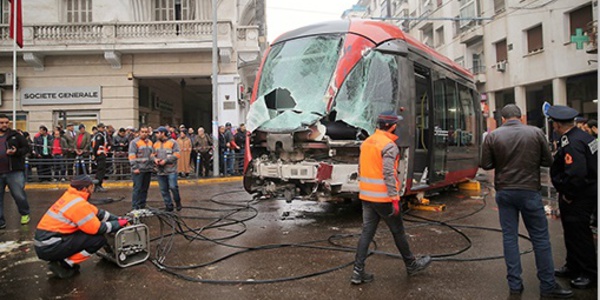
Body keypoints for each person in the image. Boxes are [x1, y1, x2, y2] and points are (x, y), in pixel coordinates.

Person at [480, 104, 572, 298]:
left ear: (503, 119)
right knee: (540, 239)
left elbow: (486, 164)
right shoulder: (536, 133)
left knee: (509, 238)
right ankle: (547, 285)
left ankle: (515, 285)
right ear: (520, 117)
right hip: (530, 191)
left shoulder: (493, 136)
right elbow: (548, 161)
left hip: (505, 192)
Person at [352, 111, 431, 285]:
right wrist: (395, 198)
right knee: (398, 231)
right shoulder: (389, 146)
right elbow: (388, 173)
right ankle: (411, 265)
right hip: (384, 199)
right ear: (393, 126)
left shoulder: (367, 142)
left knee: (367, 233)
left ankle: (357, 272)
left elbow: (360, 167)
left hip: (366, 196)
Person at [34, 175, 128, 279]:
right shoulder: (79, 205)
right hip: (50, 246)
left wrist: (118, 218)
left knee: (84, 233)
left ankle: (62, 259)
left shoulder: (71, 196)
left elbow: (98, 213)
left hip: (46, 243)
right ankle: (65, 264)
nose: (93, 189)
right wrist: (119, 224)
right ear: (85, 189)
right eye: (91, 187)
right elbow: (97, 228)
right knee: (98, 239)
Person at [548, 105, 597, 290]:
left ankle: (588, 273)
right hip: (587, 191)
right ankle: (573, 265)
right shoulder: (584, 137)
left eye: (554, 123)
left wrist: (569, 194)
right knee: (572, 232)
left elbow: (576, 173)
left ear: (558, 125)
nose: (553, 127)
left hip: (578, 196)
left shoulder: (572, 142)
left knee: (579, 234)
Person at [0, 114, 31, 228]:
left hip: (14, 171)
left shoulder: (15, 135)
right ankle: (1, 222)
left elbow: (27, 148)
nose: (4, 125)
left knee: (18, 194)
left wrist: (16, 152)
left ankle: (25, 213)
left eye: (6, 122)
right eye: (2, 122)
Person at [153, 127, 182, 211]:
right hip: (160, 171)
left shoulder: (173, 143)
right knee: (164, 190)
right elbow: (152, 155)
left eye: (157, 133)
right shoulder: (155, 144)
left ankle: (177, 201)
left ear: (163, 133)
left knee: (173, 187)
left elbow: (177, 154)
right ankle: (169, 206)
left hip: (171, 170)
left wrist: (166, 161)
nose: (156, 135)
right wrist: (155, 160)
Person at [128, 125, 153, 210]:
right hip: (138, 169)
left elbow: (151, 155)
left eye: (146, 132)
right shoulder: (134, 143)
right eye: (143, 132)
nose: (144, 134)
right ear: (139, 132)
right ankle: (135, 207)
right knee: (137, 189)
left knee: (144, 189)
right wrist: (135, 167)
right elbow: (132, 156)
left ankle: (142, 206)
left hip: (147, 169)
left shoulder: (150, 142)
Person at [91, 123, 108, 192]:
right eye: (102, 127)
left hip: (101, 154)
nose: (103, 129)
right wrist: (94, 155)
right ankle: (98, 185)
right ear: (99, 128)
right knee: (101, 170)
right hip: (100, 155)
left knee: (101, 170)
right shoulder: (99, 136)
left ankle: (98, 185)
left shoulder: (100, 135)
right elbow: (96, 146)